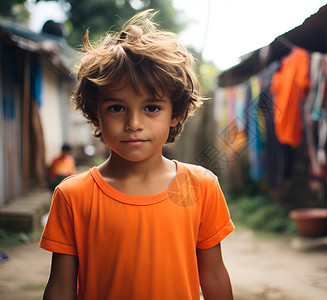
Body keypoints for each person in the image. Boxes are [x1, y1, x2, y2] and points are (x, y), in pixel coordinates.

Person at [40, 9, 235, 300]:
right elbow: (60, 287)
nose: (134, 124)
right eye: (117, 108)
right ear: (95, 114)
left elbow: (214, 275)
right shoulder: (73, 195)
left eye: (151, 108)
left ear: (176, 113)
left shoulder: (199, 186)